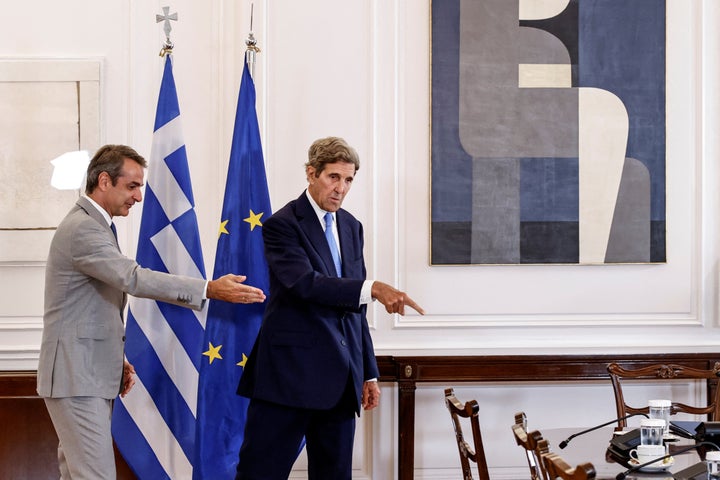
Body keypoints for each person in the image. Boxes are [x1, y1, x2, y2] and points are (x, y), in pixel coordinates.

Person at [37, 144, 266, 479]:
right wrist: (208, 288)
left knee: (76, 475)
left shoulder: (95, 226)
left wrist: (117, 356)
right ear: (104, 181)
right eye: (132, 186)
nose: (139, 197)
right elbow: (132, 277)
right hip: (77, 377)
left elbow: (89, 306)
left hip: (84, 373)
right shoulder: (83, 228)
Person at [235, 136, 424, 479]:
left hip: (340, 380)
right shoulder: (282, 225)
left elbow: (355, 308)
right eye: (333, 177)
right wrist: (376, 288)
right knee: (260, 473)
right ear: (311, 173)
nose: (341, 188)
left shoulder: (352, 226)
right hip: (287, 376)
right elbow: (305, 283)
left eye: (349, 179)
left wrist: (366, 371)